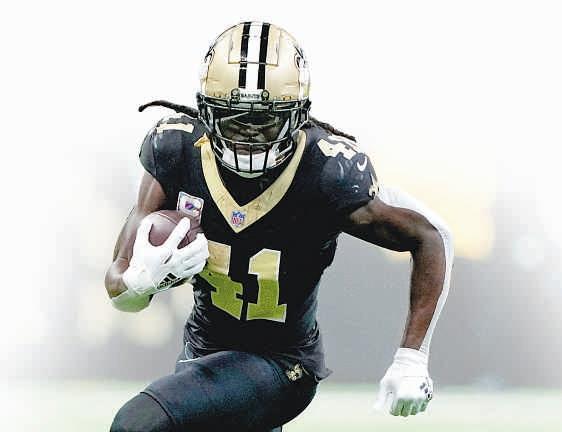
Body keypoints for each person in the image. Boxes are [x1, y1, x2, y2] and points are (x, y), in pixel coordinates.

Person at [105, 21, 454, 432]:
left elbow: (428, 237)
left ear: (298, 117)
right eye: (235, 121)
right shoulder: (176, 149)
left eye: (266, 123)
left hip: (282, 363)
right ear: (207, 113)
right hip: (201, 353)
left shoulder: (326, 171)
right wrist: (140, 282)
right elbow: (120, 291)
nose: (250, 138)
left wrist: (412, 357)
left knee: (137, 423)